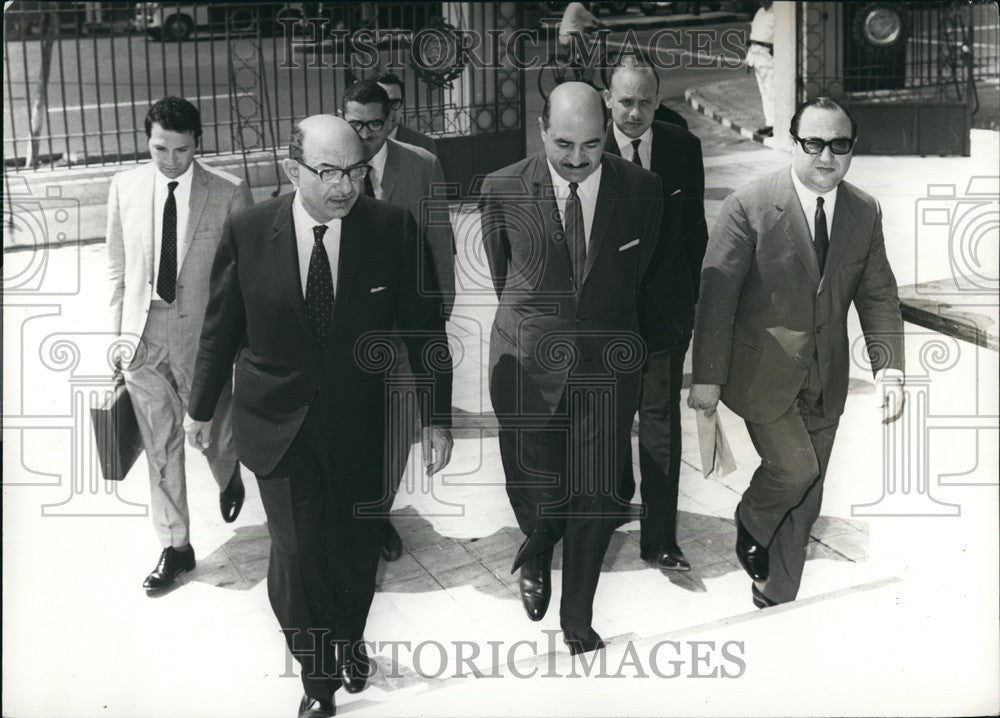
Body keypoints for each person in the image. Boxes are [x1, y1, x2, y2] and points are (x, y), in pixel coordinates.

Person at [184, 115, 453, 718]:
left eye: (355, 170)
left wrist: (437, 418)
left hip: (362, 422)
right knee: (299, 551)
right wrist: (200, 411)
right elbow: (220, 328)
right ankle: (318, 675)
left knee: (357, 548)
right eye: (328, 172)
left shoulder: (391, 229)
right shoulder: (248, 231)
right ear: (292, 170)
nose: (344, 186)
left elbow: (425, 329)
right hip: (276, 421)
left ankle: (348, 639)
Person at [688, 97, 905, 608]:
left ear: (851, 150)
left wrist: (890, 371)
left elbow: (878, 296)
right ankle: (751, 518)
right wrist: (707, 377)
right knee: (794, 470)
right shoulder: (750, 204)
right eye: (813, 143)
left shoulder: (864, 210)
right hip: (761, 372)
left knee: (806, 502)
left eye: (839, 145)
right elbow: (715, 299)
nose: (826, 156)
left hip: (826, 376)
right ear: (793, 143)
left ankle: (776, 596)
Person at [480, 82, 663, 654]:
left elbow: (640, 274)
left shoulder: (643, 189)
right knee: (537, 486)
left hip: (608, 368)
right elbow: (502, 272)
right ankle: (536, 548)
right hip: (528, 363)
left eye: (591, 143)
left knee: (594, 496)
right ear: (540, 131)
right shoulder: (502, 188)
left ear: (607, 130)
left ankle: (577, 617)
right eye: (564, 144)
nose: (579, 159)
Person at [106, 96, 251, 595]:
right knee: (160, 445)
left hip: (203, 341)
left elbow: (243, 282)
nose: (170, 160)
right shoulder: (123, 187)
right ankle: (177, 547)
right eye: (159, 148)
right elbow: (117, 270)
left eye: (181, 150)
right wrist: (118, 341)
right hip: (142, 340)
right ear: (148, 140)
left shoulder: (229, 193)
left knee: (211, 432)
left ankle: (228, 473)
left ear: (199, 144)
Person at [341, 78, 456, 562]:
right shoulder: (332, 168)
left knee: (397, 431)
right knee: (352, 429)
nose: (364, 133)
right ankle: (355, 512)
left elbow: (440, 243)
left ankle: (378, 514)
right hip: (347, 330)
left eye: (374, 123)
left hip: (404, 329)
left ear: (391, 120)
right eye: (355, 123)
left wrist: (437, 314)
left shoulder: (421, 165)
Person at [603, 57, 708, 572]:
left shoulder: (682, 147)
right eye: (625, 101)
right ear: (608, 99)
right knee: (606, 417)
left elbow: (695, 231)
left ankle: (660, 538)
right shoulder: (585, 150)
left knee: (662, 423)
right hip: (603, 320)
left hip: (665, 315)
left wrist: (690, 304)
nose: (635, 113)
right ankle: (611, 500)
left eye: (646, 102)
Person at [375, 72, 438, 156]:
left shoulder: (423, 144)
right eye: (382, 102)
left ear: (402, 105)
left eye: (395, 103)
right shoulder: (358, 143)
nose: (389, 110)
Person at [746, 0, 775, 136]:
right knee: (764, 93)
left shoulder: (776, 12)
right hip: (757, 58)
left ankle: (776, 124)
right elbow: (754, 37)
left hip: (770, 59)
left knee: (772, 92)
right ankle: (769, 123)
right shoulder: (759, 12)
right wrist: (749, 59)